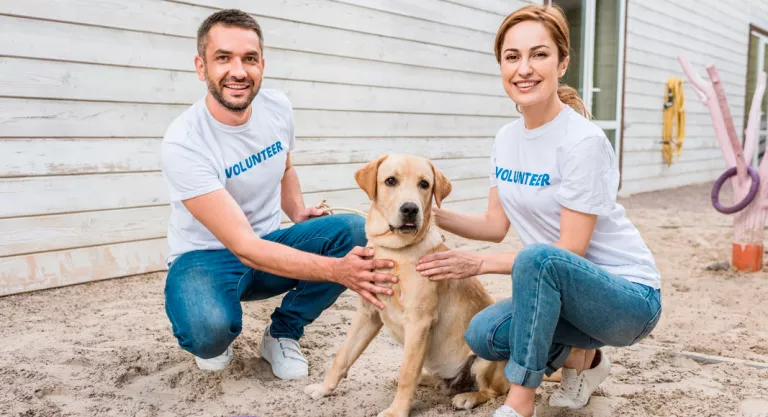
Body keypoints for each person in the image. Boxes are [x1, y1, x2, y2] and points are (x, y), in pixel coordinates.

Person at [415, 5, 662, 417]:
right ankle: (588, 361)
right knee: (483, 334)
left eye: (539, 54)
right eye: (512, 57)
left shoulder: (583, 142)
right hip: (556, 288)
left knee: (538, 257)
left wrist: (476, 264)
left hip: (628, 300)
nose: (524, 68)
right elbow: (495, 225)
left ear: (563, 63)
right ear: (501, 66)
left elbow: (569, 251)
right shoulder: (506, 138)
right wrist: (423, 212)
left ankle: (520, 401)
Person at [159, 9, 397, 381]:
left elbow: (284, 167)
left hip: (267, 243)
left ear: (262, 64)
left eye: (249, 58)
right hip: (204, 258)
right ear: (201, 66)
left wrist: (298, 211)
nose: (238, 71)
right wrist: (338, 271)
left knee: (353, 232)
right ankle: (217, 336)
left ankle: (281, 334)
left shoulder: (276, 108)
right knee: (208, 333)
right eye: (223, 58)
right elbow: (244, 247)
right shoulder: (184, 142)